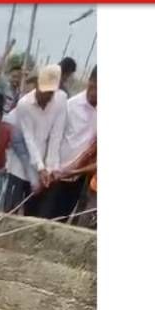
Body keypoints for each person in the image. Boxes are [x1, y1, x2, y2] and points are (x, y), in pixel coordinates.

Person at [2, 64, 68, 215]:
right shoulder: (24, 105)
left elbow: (56, 136)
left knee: (33, 213)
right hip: (19, 165)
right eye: (44, 91)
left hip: (43, 168)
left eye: (50, 93)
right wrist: (40, 167)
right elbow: (29, 138)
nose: (47, 96)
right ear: (37, 85)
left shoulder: (61, 100)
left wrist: (51, 168)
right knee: (10, 211)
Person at [45, 65, 97, 220]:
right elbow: (54, 138)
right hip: (56, 175)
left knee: (63, 218)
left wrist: (76, 171)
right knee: (46, 217)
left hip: (79, 178)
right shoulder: (70, 106)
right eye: (96, 87)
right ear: (90, 82)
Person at [0, 39, 22, 112]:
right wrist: (7, 51)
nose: (16, 79)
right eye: (14, 77)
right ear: (10, 77)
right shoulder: (5, 85)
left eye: (18, 77)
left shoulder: (20, 91)